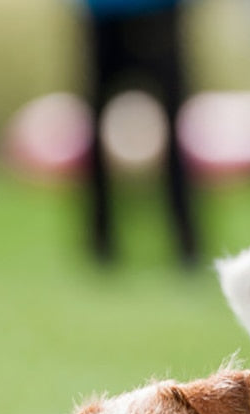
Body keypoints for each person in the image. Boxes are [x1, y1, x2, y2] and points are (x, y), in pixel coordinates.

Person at [78, 0, 199, 266]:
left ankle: (187, 244)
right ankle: (101, 245)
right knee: (95, 129)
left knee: (176, 127)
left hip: (155, 9)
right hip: (105, 11)